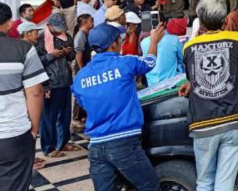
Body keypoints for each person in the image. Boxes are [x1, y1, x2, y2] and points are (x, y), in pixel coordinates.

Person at [72, 23, 164, 191]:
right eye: (120, 39)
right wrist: (154, 41)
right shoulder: (124, 63)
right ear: (113, 44)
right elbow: (150, 62)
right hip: (124, 142)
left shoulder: (81, 76)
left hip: (96, 147)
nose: (122, 42)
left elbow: (82, 103)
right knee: (150, 186)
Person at [178, 0, 238, 191]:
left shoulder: (189, 47)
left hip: (202, 123)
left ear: (200, 21)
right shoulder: (236, 39)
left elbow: (193, 78)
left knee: (204, 182)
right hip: (233, 119)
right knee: (225, 183)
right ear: (225, 20)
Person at [0, 3, 49, 190]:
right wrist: (34, 130)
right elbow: (35, 92)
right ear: (9, 23)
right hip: (14, 134)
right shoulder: (23, 49)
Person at [36, 13, 78, 158]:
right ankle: (48, 147)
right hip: (50, 83)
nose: (61, 31)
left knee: (65, 115)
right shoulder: (40, 39)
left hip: (65, 80)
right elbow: (35, 62)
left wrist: (68, 52)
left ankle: (63, 142)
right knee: (49, 117)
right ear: (49, 26)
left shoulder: (65, 36)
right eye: (57, 28)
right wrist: (51, 55)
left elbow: (72, 57)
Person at [140, 18, 184, 86]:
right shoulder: (174, 40)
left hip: (151, 85)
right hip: (172, 84)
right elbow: (182, 59)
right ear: (164, 23)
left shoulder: (143, 42)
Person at [72, 14, 94, 131]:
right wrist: (82, 69)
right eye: (91, 21)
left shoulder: (87, 34)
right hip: (82, 67)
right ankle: (75, 118)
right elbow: (78, 54)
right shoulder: (80, 36)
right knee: (79, 92)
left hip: (86, 66)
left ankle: (83, 115)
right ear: (85, 23)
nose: (93, 22)